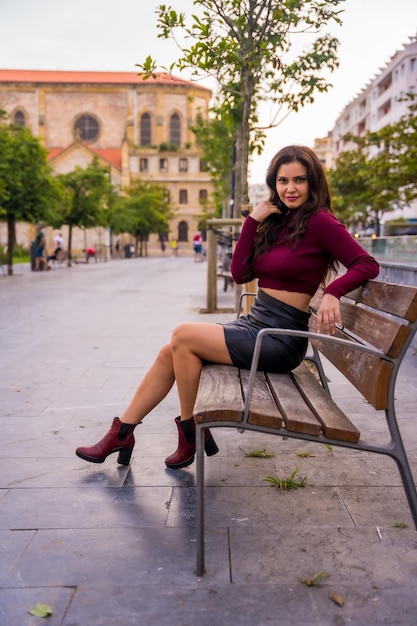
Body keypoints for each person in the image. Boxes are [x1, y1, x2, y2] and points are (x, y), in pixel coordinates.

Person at [75, 145, 379, 470]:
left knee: (183, 335)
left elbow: (366, 263)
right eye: (282, 181)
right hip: (256, 324)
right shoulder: (277, 222)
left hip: (278, 339)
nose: (290, 188)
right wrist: (253, 221)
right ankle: (125, 431)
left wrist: (333, 292)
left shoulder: (320, 222)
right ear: (273, 184)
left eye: (299, 180)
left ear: (313, 182)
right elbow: (239, 274)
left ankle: (189, 430)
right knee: (171, 350)